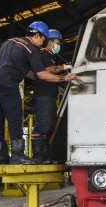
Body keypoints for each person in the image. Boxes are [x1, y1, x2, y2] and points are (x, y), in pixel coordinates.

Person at [0, 21, 76, 165]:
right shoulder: (31, 49)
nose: (42, 45)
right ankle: (17, 155)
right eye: (43, 41)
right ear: (38, 36)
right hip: (7, 82)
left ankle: (1, 156)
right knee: (15, 116)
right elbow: (41, 74)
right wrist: (64, 77)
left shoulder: (9, 42)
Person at [31, 29, 71, 164]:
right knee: (43, 124)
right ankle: (38, 156)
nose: (58, 46)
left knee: (50, 125)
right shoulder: (43, 55)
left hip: (50, 95)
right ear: (49, 42)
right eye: (57, 43)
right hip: (43, 95)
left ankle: (46, 155)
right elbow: (46, 70)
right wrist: (64, 67)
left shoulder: (52, 57)